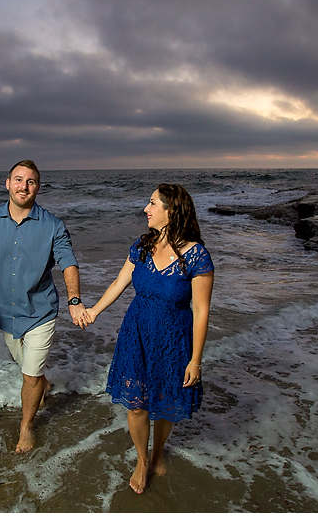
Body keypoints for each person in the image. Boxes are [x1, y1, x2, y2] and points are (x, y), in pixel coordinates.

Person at [81, 183, 214, 494]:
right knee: (137, 404)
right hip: (136, 334)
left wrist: (195, 360)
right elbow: (119, 282)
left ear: (171, 211)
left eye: (153, 203)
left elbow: (202, 311)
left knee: (166, 402)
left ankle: (158, 452)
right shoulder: (141, 247)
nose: (146, 209)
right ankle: (142, 459)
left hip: (173, 338)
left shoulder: (196, 256)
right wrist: (94, 311)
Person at [0, 159, 88, 453]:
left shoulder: (53, 225)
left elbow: (68, 262)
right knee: (26, 366)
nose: (24, 186)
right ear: (7, 184)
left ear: (38, 188)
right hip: (4, 312)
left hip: (40, 311)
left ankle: (26, 426)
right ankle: (43, 384)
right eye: (18, 180)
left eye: (31, 181)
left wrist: (75, 300)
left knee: (29, 374)